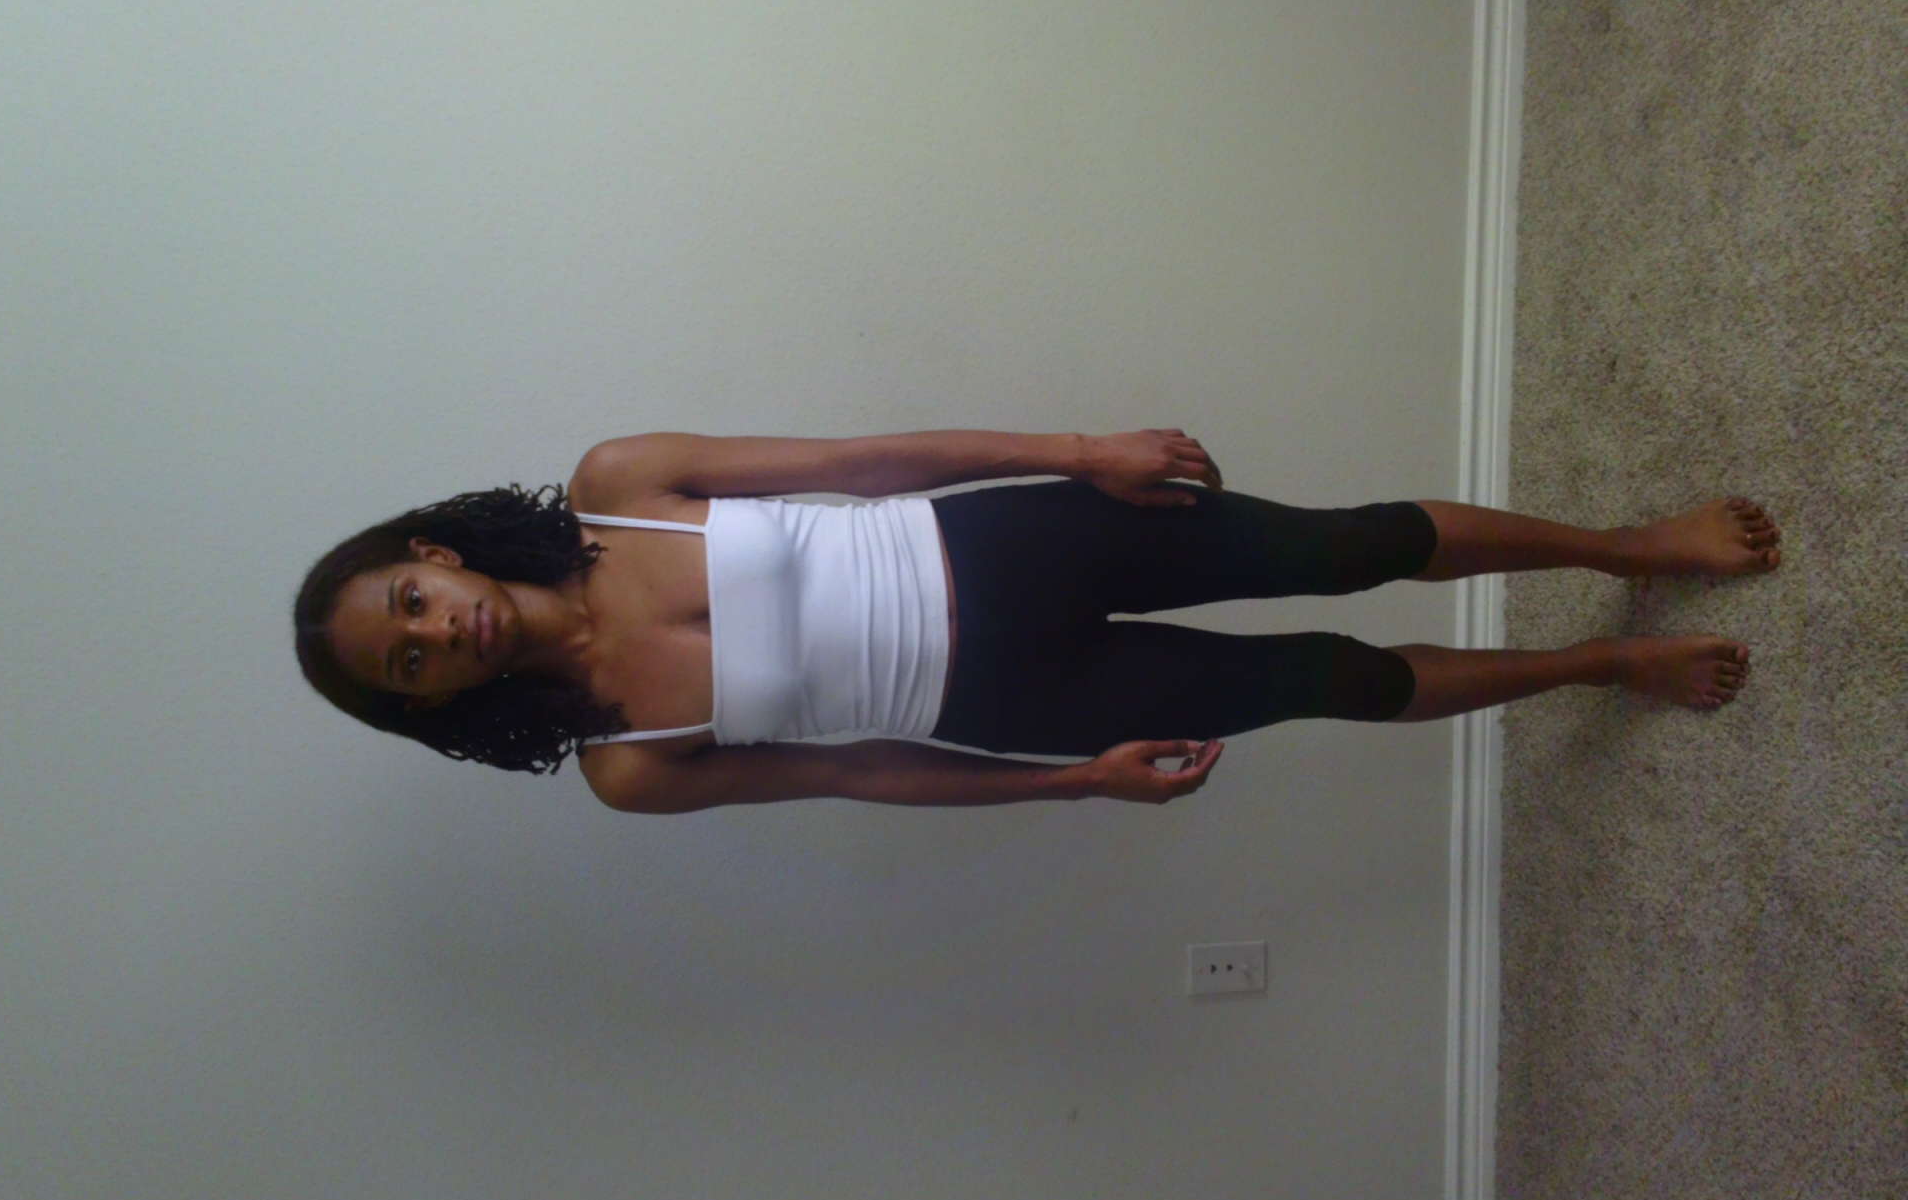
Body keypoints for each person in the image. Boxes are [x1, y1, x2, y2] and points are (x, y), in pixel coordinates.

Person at [292, 429, 1780, 811]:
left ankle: (1628, 545)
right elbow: (856, 772)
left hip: (1006, 542)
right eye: (409, 663)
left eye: (413, 601)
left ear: (433, 554)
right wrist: (1072, 781)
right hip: (1011, 705)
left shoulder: (619, 486)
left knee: (1351, 547)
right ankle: (1604, 661)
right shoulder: (624, 761)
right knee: (1346, 680)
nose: (440, 632)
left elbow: (854, 466)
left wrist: (1074, 450)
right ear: (432, 704)